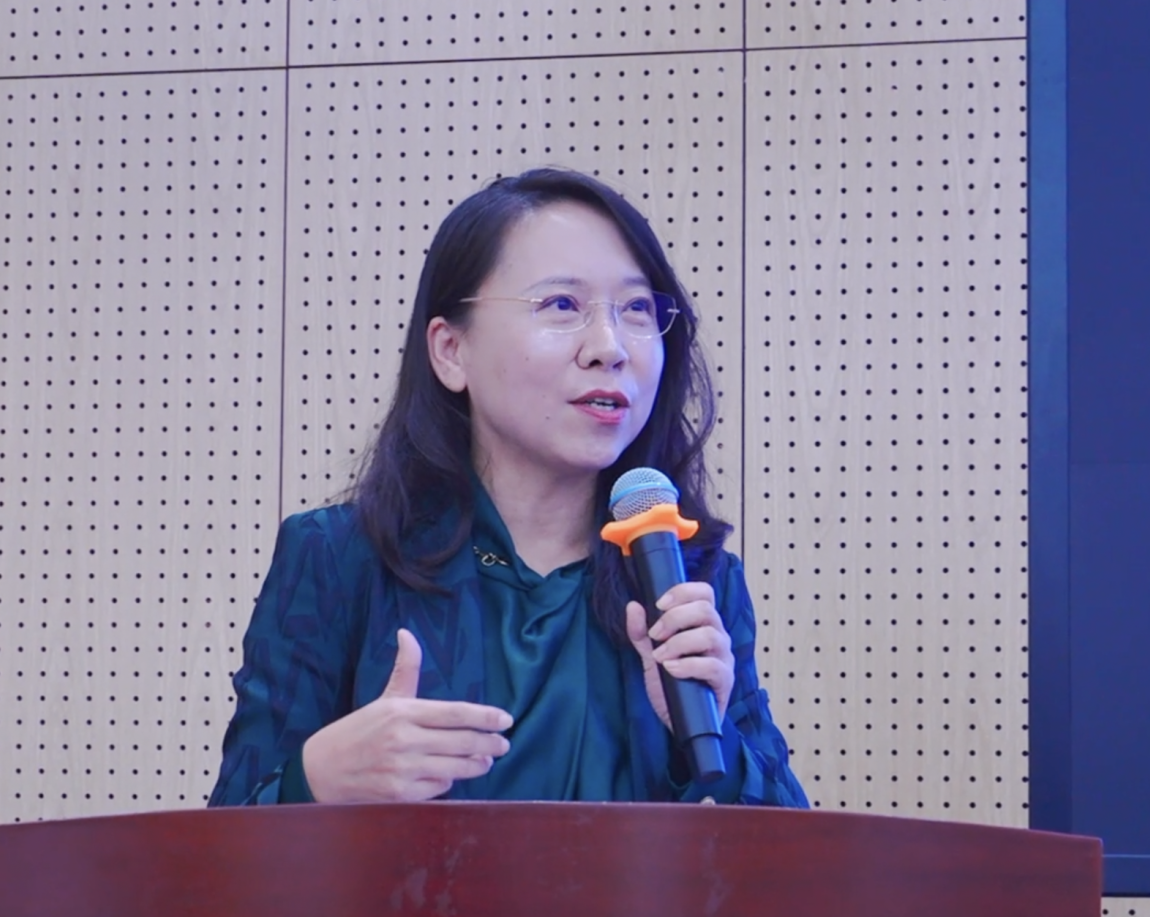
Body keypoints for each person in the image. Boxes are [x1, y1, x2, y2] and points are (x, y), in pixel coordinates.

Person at [208, 169, 809, 807]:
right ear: (451, 351)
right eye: (562, 305)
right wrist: (317, 779)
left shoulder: (692, 581)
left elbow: (792, 854)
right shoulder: (340, 559)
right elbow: (225, 847)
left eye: (636, 309)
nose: (609, 348)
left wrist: (711, 744)